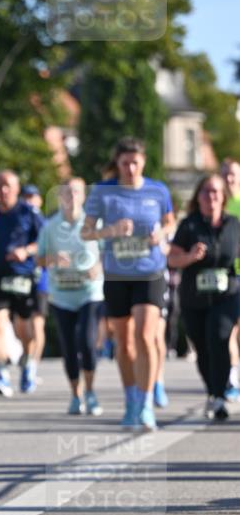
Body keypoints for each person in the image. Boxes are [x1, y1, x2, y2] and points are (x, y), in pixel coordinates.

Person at [82, 138, 174, 431]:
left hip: (150, 272)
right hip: (117, 275)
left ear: (143, 162)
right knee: (124, 343)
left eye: (136, 162)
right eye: (125, 163)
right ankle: (132, 400)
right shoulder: (102, 191)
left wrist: (162, 234)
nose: (131, 168)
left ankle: (147, 404)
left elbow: (170, 221)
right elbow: (86, 232)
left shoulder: (158, 190)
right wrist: (111, 230)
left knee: (146, 336)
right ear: (117, 164)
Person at [168, 174, 240, 422]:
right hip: (193, 297)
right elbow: (172, 259)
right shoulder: (189, 225)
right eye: (206, 192)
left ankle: (220, 396)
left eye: (216, 192)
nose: (211, 197)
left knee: (219, 338)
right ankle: (213, 390)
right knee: (202, 345)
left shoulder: (234, 225)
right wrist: (189, 257)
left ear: (224, 197)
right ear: (198, 196)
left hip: (226, 294)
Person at [37, 178, 104, 415]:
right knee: (68, 345)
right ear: (60, 197)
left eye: (76, 192)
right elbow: (39, 258)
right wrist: (53, 259)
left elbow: (107, 252)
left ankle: (91, 392)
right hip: (62, 294)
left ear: (83, 196)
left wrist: (98, 267)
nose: (71, 196)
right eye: (66, 192)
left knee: (86, 342)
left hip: (89, 292)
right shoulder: (50, 226)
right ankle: (76, 395)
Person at [0, 170, 43, 396]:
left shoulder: (28, 212)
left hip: (23, 276)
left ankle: (28, 363)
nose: (3, 190)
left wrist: (26, 251)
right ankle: (2, 373)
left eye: (8, 185)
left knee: (24, 329)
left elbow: (44, 241)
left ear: (17, 189)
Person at [20, 183, 47, 386]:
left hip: (40, 277)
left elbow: (45, 245)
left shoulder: (41, 219)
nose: (29, 200)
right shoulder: (19, 217)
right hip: (21, 277)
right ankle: (27, 357)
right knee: (21, 324)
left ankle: (32, 367)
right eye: (26, 196)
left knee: (37, 323)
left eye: (33, 196)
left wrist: (28, 251)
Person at [220, 157, 240, 398]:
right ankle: (232, 377)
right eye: (225, 174)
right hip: (226, 275)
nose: (229, 179)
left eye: (233, 174)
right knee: (230, 328)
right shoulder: (217, 204)